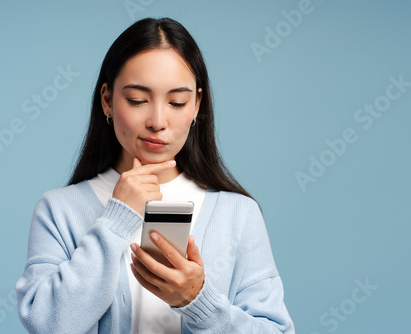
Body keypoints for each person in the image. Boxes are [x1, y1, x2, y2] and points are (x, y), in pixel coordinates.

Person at [15, 17, 295, 333]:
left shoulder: (239, 214)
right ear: (107, 99)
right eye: (137, 100)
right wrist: (117, 220)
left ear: (197, 105)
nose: (157, 121)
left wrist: (197, 300)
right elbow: (48, 324)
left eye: (177, 102)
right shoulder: (59, 209)